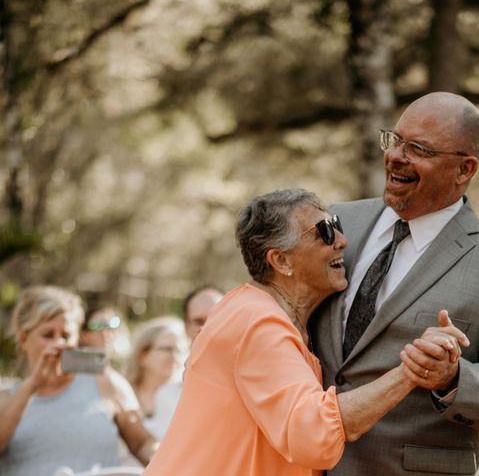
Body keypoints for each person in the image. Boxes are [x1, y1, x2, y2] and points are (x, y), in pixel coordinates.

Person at [145, 189, 463, 476]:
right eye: (323, 232)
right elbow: (313, 435)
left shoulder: (255, 310)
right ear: (281, 260)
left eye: (336, 224)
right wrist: (410, 371)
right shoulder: (255, 322)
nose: (342, 239)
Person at [310, 92, 479, 475]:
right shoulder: (339, 222)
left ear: (465, 170)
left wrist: (454, 379)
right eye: (396, 140)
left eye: (419, 148)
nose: (397, 156)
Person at [0, 286, 158, 476]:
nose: (59, 343)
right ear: (24, 338)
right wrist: (33, 384)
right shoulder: (6, 399)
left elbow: (142, 443)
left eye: (66, 335)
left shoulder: (105, 382)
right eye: (48, 335)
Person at [147, 286, 223, 439]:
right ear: (186, 327)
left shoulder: (252, 384)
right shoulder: (167, 395)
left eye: (215, 318)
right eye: (198, 321)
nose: (205, 328)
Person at [123, 316, 188, 431]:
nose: (174, 356)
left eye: (178, 350)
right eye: (167, 349)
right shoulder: (123, 392)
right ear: (142, 355)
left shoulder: (186, 395)